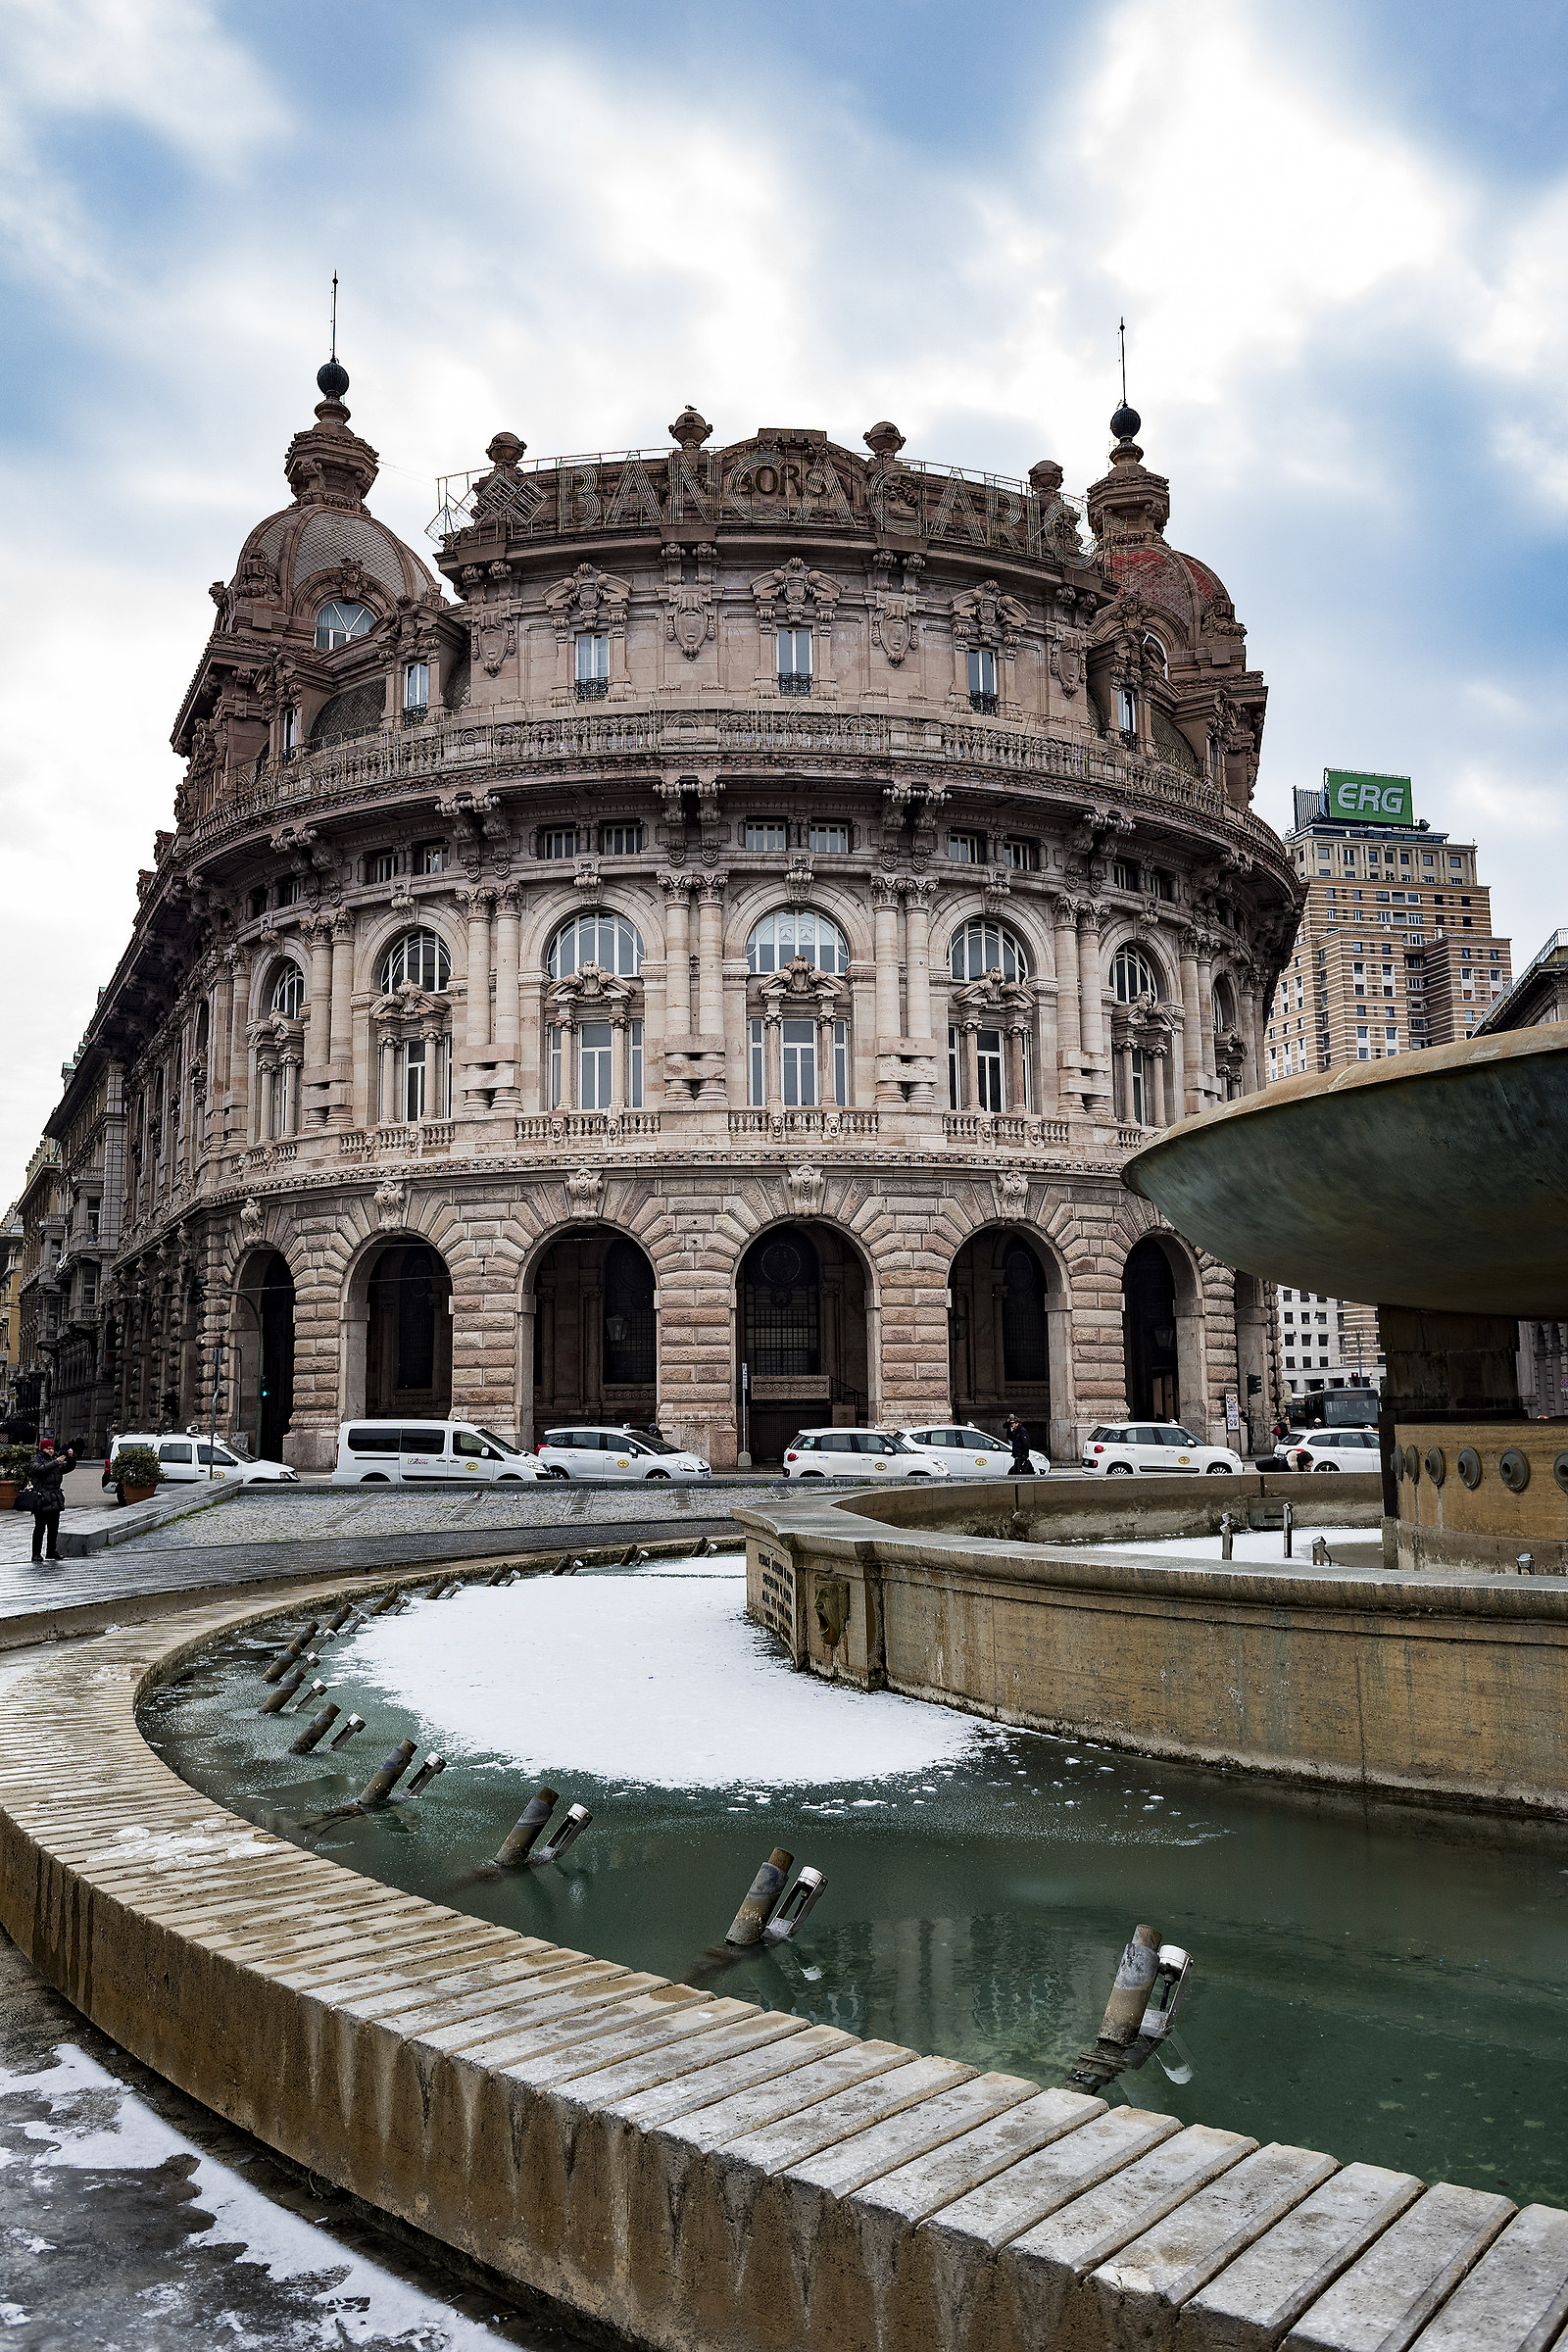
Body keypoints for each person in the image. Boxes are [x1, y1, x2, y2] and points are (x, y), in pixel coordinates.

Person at [24, 1436, 74, 1563]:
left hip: (55, 1498)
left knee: (54, 1527)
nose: (51, 1451)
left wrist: (71, 1458)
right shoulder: (36, 1459)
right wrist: (55, 1462)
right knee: (40, 1527)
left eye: (52, 1448)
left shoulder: (54, 1460)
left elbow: (67, 1468)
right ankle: (36, 1554)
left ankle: (51, 1552)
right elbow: (39, 1470)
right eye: (48, 1449)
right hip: (42, 1498)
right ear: (42, 1449)